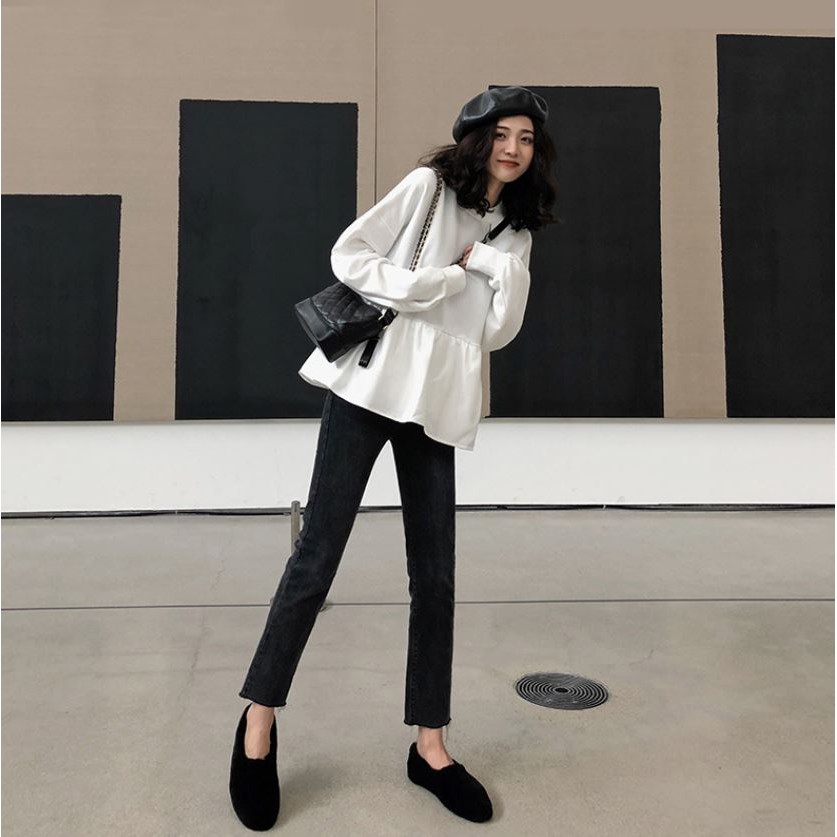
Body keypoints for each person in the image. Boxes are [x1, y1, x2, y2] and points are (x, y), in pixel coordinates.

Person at [229, 85, 557, 830]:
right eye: (503, 133)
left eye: (527, 139)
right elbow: (350, 254)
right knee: (316, 558)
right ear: (477, 135)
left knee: (435, 575)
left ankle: (429, 746)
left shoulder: (516, 229)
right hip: (371, 386)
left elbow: (496, 331)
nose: (513, 148)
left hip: (437, 400)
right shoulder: (427, 188)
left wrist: (495, 265)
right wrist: (433, 281)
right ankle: (257, 721)